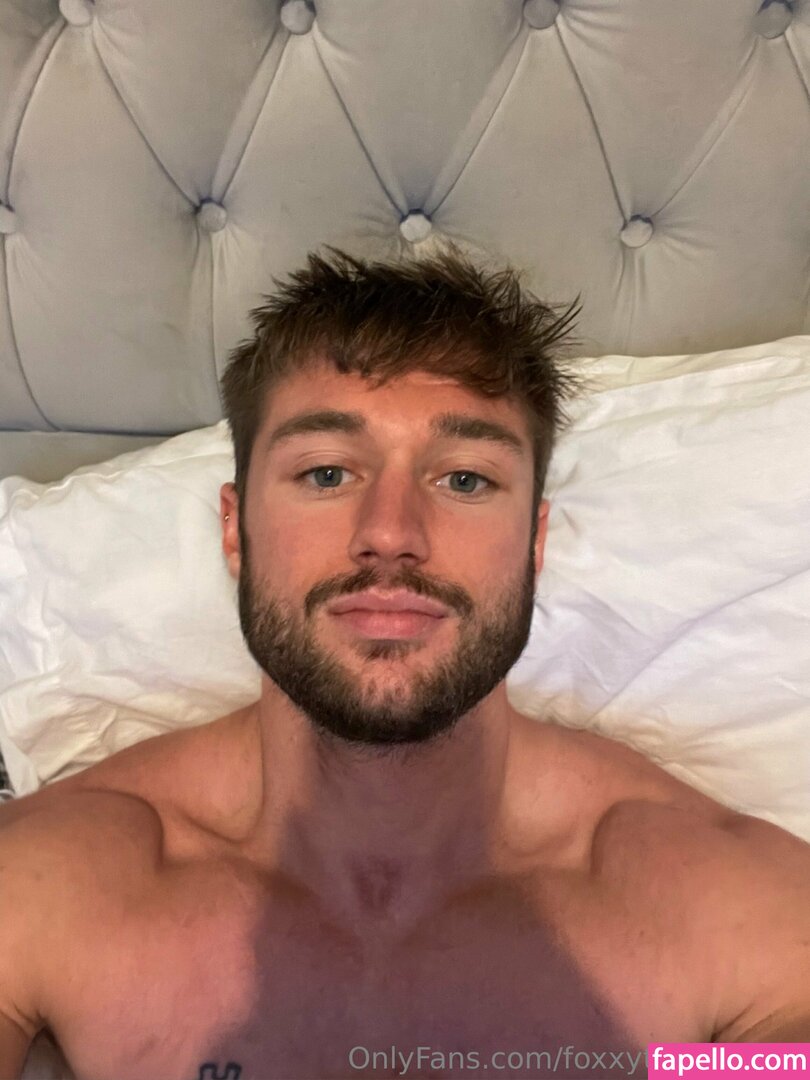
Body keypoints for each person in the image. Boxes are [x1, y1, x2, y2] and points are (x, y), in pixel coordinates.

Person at [1, 245, 809, 1080]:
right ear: (235, 531)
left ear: (534, 543)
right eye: (326, 472)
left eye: (464, 480)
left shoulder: (735, 918)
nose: (390, 532)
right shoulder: (52, 884)